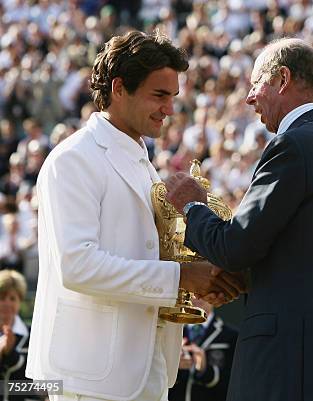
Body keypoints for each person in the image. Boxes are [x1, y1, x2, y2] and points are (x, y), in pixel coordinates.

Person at [26, 30, 245, 401]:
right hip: (89, 378)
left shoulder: (143, 162)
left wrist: (206, 272)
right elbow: (78, 266)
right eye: (159, 95)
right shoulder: (73, 159)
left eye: (173, 97)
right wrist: (183, 276)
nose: (169, 109)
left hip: (145, 371)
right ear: (119, 88)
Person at [165, 38, 313, 401]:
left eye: (254, 84)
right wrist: (245, 280)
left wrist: (193, 206)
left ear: (282, 79)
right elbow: (310, 261)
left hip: (287, 364)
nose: (249, 98)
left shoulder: (292, 145)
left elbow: (235, 245)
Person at [169, 301, 238, 401]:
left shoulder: (231, 336)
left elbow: (234, 383)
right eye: (193, 292)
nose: (198, 297)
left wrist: (205, 370)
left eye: (203, 291)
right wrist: (174, 367)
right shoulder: (171, 333)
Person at [0, 270, 31, 401]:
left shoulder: (32, 337)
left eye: (12, 298)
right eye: (2, 298)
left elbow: (38, 387)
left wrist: (10, 354)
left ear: (20, 301)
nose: (7, 303)